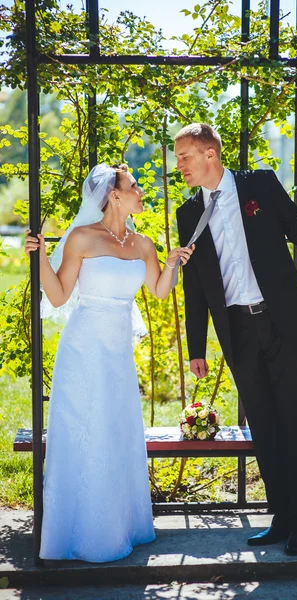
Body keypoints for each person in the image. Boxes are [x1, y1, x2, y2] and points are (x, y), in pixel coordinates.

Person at [175, 123, 297, 556]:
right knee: (265, 429)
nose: (178, 165)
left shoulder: (260, 184)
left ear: (210, 154)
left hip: (284, 325)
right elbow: (195, 286)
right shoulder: (187, 213)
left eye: (184, 157)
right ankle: (280, 518)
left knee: (293, 424)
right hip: (238, 332)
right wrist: (197, 348)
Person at [25, 163, 194, 563]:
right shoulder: (82, 237)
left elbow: (156, 290)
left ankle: (122, 525)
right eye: (134, 186)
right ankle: (80, 533)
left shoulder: (143, 244)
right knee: (86, 429)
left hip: (119, 352)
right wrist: (42, 259)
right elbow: (61, 295)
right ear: (114, 195)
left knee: (116, 430)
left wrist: (171, 263)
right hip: (84, 347)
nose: (140, 192)